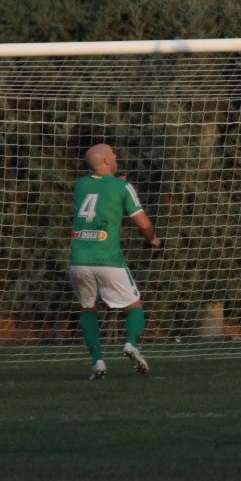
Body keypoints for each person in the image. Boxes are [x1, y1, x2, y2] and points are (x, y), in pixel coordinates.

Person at [68, 143, 162, 380]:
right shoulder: (123, 187)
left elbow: (99, 192)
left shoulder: (81, 185)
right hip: (107, 260)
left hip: (79, 260)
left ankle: (98, 362)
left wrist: (116, 183)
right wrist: (153, 239)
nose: (116, 155)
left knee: (88, 307)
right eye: (113, 153)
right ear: (107, 161)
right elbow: (144, 223)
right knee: (134, 307)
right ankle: (131, 344)